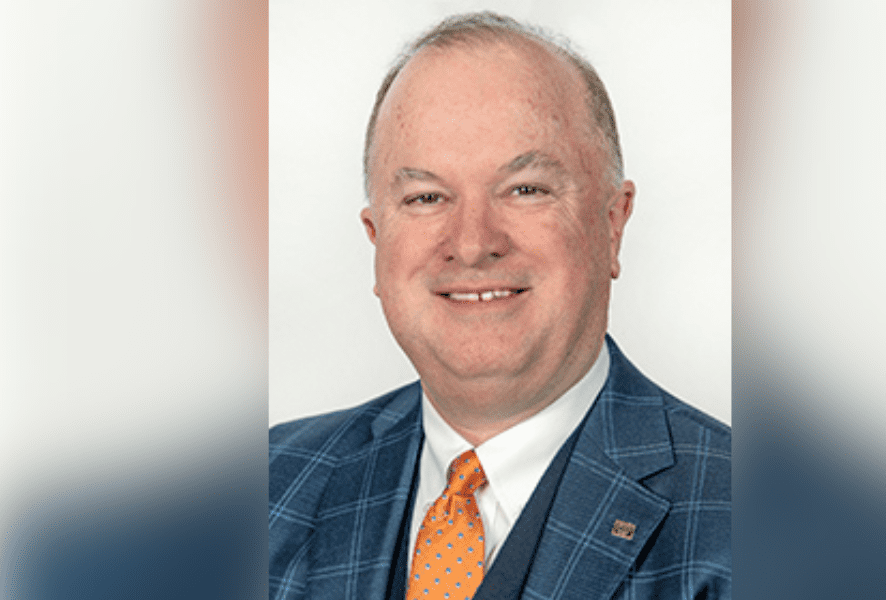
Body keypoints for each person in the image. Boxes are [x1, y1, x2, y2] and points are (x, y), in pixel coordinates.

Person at [269, 11, 730, 600]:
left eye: (525, 189)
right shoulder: (269, 487)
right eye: (426, 197)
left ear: (612, 224)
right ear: (376, 237)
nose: (471, 243)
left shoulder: (753, 527)